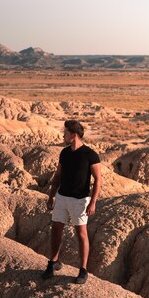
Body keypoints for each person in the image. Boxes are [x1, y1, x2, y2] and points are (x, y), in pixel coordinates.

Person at [42, 120, 101, 284]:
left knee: (81, 234)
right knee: (56, 229)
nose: (63, 135)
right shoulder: (64, 153)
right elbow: (58, 176)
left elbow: (98, 180)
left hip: (80, 200)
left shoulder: (90, 154)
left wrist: (93, 202)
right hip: (62, 197)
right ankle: (53, 263)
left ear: (73, 135)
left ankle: (83, 270)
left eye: (65, 133)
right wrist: (51, 196)